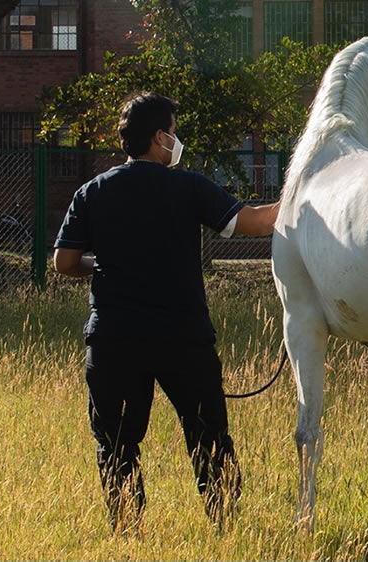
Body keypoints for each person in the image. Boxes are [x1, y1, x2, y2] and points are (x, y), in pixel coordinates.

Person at [53, 92, 279, 533]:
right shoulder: (188, 186)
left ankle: (129, 533)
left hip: (114, 338)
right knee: (209, 437)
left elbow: (64, 263)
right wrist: (306, 193)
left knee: (117, 444)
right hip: (183, 337)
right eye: (173, 132)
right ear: (159, 138)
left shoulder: (92, 192)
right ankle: (227, 529)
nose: (176, 140)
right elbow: (254, 222)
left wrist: (101, 264)